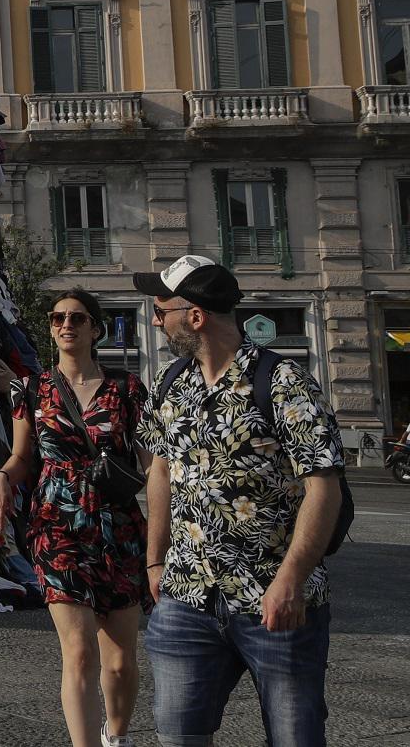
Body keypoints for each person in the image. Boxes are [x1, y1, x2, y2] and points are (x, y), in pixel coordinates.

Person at [136, 255, 343, 747]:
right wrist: (154, 561)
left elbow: (324, 485)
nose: (155, 318)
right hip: (185, 598)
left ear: (195, 315)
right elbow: (160, 471)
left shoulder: (284, 382)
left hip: (275, 600)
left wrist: (290, 581)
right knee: (177, 735)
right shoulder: (170, 382)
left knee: (295, 737)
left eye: (161, 308)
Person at [0, 288, 149, 747]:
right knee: (79, 654)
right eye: (58, 318)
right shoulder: (31, 389)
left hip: (118, 528)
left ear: (95, 328)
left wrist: (168, 525)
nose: (65, 325)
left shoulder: (127, 389)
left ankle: (116, 736)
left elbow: (151, 463)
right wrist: (2, 476)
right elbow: (22, 457)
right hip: (57, 526)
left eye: (77, 318)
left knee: (119, 661)